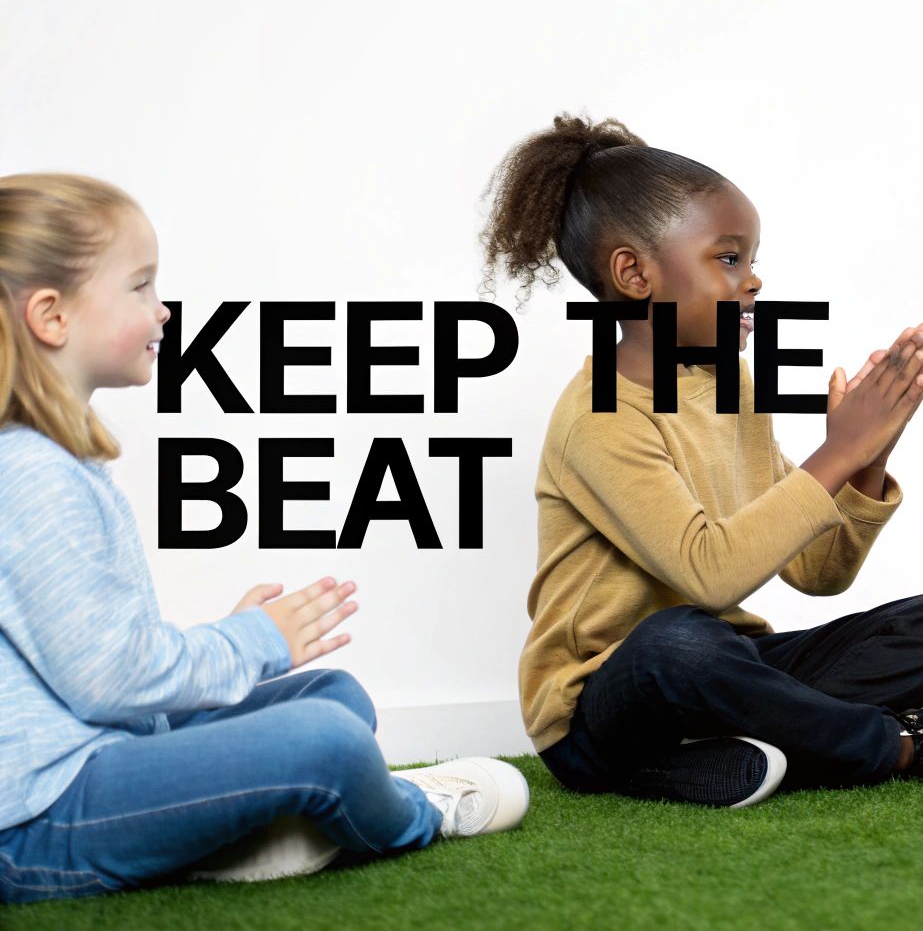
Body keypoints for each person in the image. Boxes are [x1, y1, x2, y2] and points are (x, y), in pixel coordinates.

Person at [484, 114, 923, 808]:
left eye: (751, 259)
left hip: (724, 674)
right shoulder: (599, 417)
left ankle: (741, 752)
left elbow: (819, 573)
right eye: (728, 259)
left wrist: (867, 456)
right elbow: (710, 574)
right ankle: (897, 747)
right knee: (678, 643)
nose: (753, 280)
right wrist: (835, 451)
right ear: (634, 273)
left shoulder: (732, 386)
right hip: (604, 709)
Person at [0, 174, 528, 904]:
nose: (163, 311)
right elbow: (111, 683)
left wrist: (227, 641)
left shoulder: (53, 460)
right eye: (142, 287)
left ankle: (225, 836)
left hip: (98, 751)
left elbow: (91, 662)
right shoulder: (30, 473)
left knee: (333, 693)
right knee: (326, 741)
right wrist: (248, 642)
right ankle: (420, 812)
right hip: (38, 821)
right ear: (51, 316)